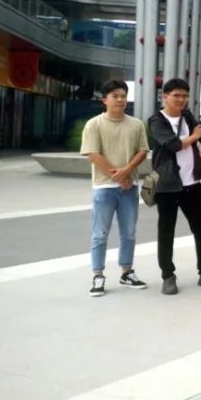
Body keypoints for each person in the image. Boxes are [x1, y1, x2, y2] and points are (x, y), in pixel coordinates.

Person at [148, 77, 201, 295]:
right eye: (176, 96)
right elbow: (172, 145)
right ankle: (168, 276)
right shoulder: (156, 120)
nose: (181, 100)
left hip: (192, 185)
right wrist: (196, 136)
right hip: (167, 186)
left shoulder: (187, 116)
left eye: (185, 96)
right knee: (166, 232)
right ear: (165, 97)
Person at [80, 79, 150, 297]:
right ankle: (98, 275)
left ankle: (126, 272)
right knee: (100, 233)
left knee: (128, 232)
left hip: (130, 187)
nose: (120, 99)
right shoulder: (94, 124)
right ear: (105, 100)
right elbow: (93, 154)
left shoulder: (136, 124)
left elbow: (142, 151)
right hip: (104, 187)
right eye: (115, 96)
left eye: (123, 95)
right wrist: (119, 176)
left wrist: (127, 172)